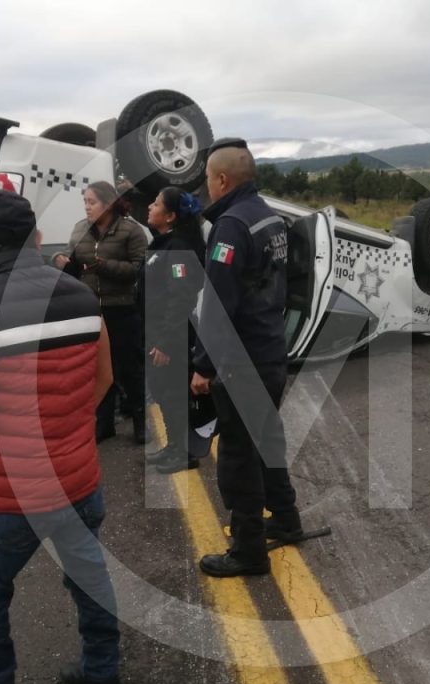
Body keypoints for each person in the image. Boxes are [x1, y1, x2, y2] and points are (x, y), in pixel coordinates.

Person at [0, 190, 122, 684]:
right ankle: (101, 671)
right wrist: (64, 429)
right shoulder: (82, 295)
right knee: (88, 573)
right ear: (37, 239)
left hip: (11, 491)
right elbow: (104, 381)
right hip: (76, 477)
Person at [190, 138, 304, 577]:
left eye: (207, 181)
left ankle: (249, 551)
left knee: (238, 456)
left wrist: (202, 366)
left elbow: (219, 304)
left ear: (221, 180)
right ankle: (287, 518)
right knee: (266, 440)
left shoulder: (232, 226)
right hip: (271, 349)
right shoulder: (270, 217)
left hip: (244, 360)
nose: (207, 189)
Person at [54, 181, 148, 444]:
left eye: (91, 202)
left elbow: (140, 268)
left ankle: (141, 422)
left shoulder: (131, 230)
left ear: (108, 203)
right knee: (97, 368)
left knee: (129, 368)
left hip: (122, 309)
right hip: (90, 310)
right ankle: (104, 423)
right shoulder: (79, 229)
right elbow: (69, 254)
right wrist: (59, 259)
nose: (87, 207)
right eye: (85, 202)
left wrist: (103, 266)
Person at [143, 186, 206, 474]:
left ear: (169, 216)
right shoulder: (164, 243)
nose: (149, 207)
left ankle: (183, 453)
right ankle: (173, 447)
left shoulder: (178, 249)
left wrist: (167, 343)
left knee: (173, 394)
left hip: (172, 336)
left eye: (155, 203)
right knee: (164, 392)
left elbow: (180, 297)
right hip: (157, 331)